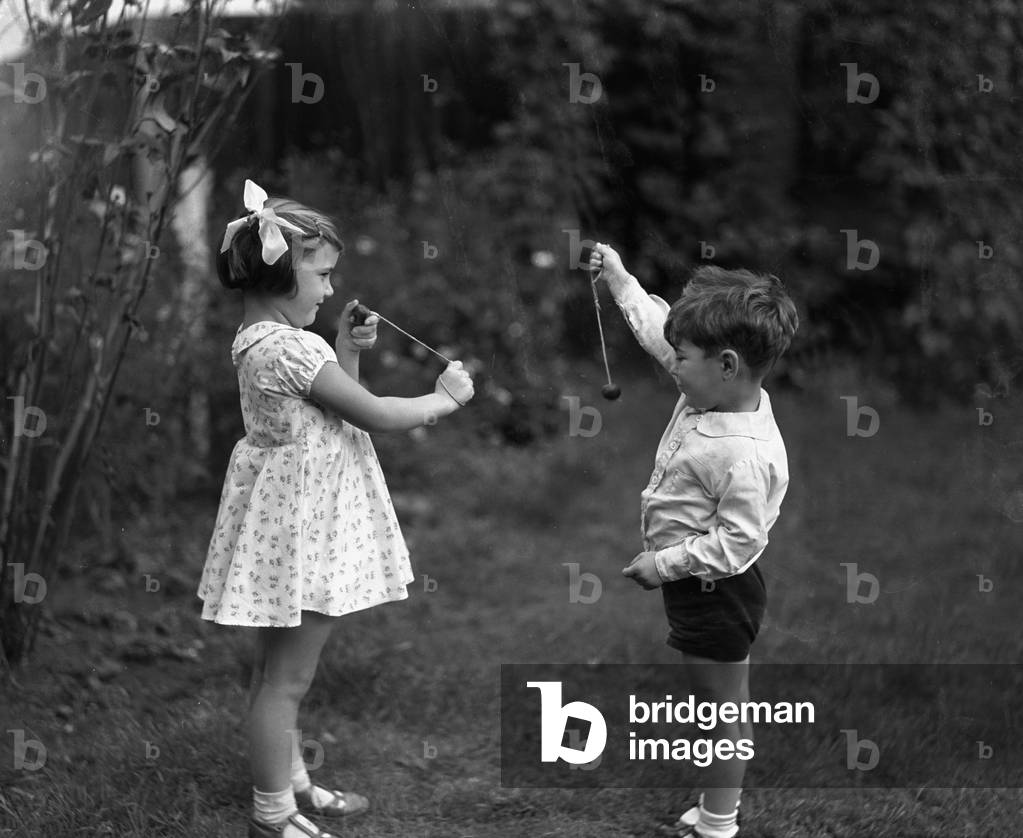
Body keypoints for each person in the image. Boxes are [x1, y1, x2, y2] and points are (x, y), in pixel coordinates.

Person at [197, 180, 474, 838]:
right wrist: (445, 399)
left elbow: (331, 401)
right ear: (280, 273)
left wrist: (349, 349)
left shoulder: (257, 340)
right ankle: (273, 813)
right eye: (319, 276)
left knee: (275, 673)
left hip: (281, 527)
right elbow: (372, 413)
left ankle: (289, 785)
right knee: (286, 682)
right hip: (305, 533)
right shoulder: (295, 349)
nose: (327, 291)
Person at [589, 243, 798, 838]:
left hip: (716, 590)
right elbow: (663, 336)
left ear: (727, 363)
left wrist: (664, 564)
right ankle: (715, 809)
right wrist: (621, 281)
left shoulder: (742, 453)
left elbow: (738, 543)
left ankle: (716, 825)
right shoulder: (709, 388)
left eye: (682, 359)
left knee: (719, 713)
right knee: (717, 705)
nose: (670, 367)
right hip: (702, 587)